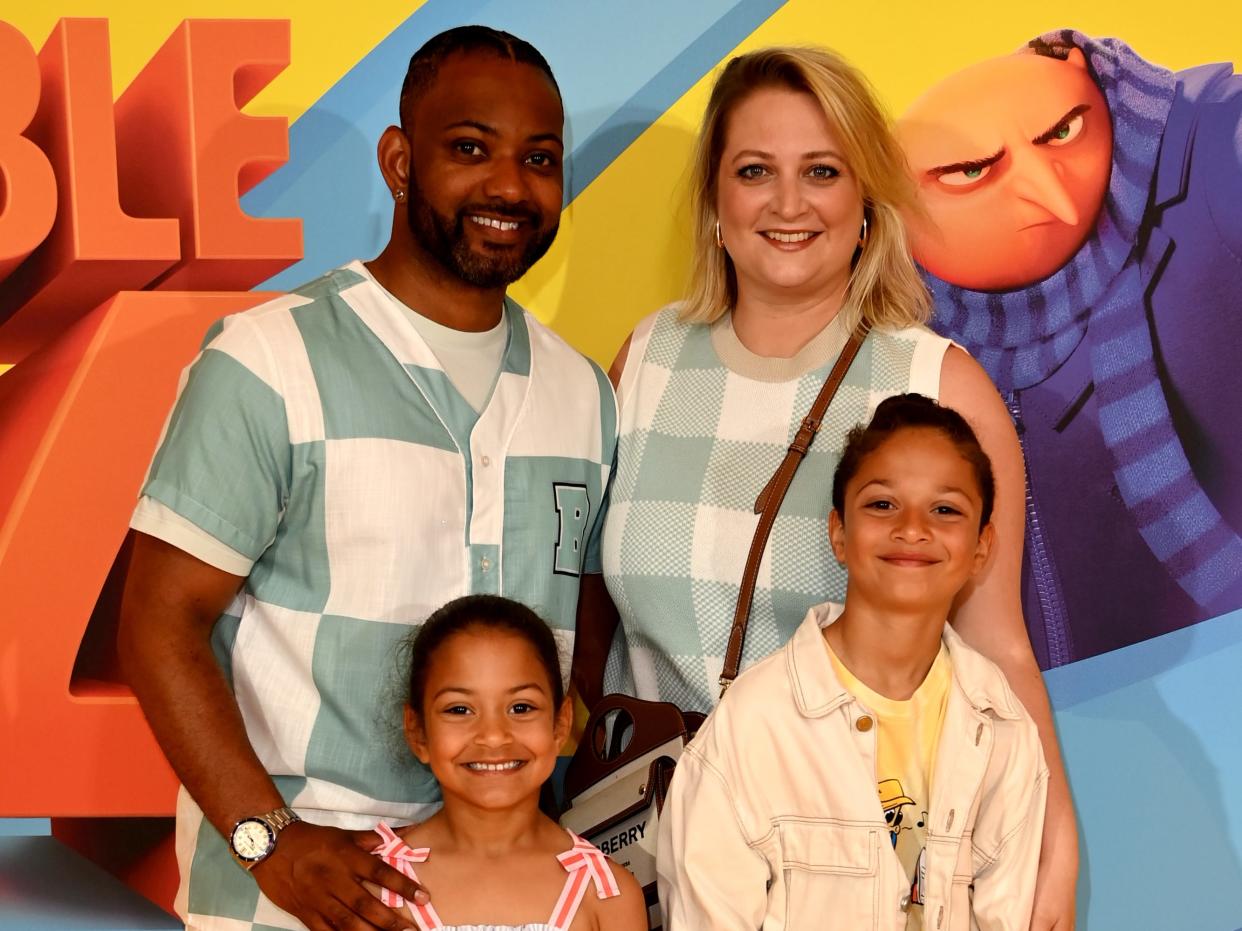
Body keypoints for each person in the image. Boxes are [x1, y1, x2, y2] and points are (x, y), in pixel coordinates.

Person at [118, 26, 616, 931]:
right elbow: (158, 622)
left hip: (500, 903)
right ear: (398, 160)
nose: (508, 185)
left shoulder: (582, 392)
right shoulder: (268, 362)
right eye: (470, 148)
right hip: (290, 900)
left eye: (538, 159)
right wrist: (270, 838)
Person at [575, 46, 1076, 928]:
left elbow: (997, 650)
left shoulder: (938, 384)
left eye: (822, 171)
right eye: (755, 171)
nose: (788, 203)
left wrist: (1052, 856)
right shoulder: (644, 359)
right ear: (716, 203)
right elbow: (589, 620)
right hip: (639, 854)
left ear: (865, 201)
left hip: (848, 864)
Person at [896, 29, 1242, 668]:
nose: (1050, 197)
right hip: (1043, 722)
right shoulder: (888, 344)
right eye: (973, 170)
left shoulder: (1205, 139)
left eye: (1061, 134)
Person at [657, 394, 1048, 930]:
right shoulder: (753, 725)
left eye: (946, 509)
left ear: (982, 546)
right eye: (883, 504)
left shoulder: (1002, 727)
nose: (912, 528)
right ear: (839, 532)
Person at [365, 595, 646, 930]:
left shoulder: (606, 894)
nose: (494, 735)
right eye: (459, 709)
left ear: (560, 724)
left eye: (521, 708)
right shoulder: (375, 887)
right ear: (418, 732)